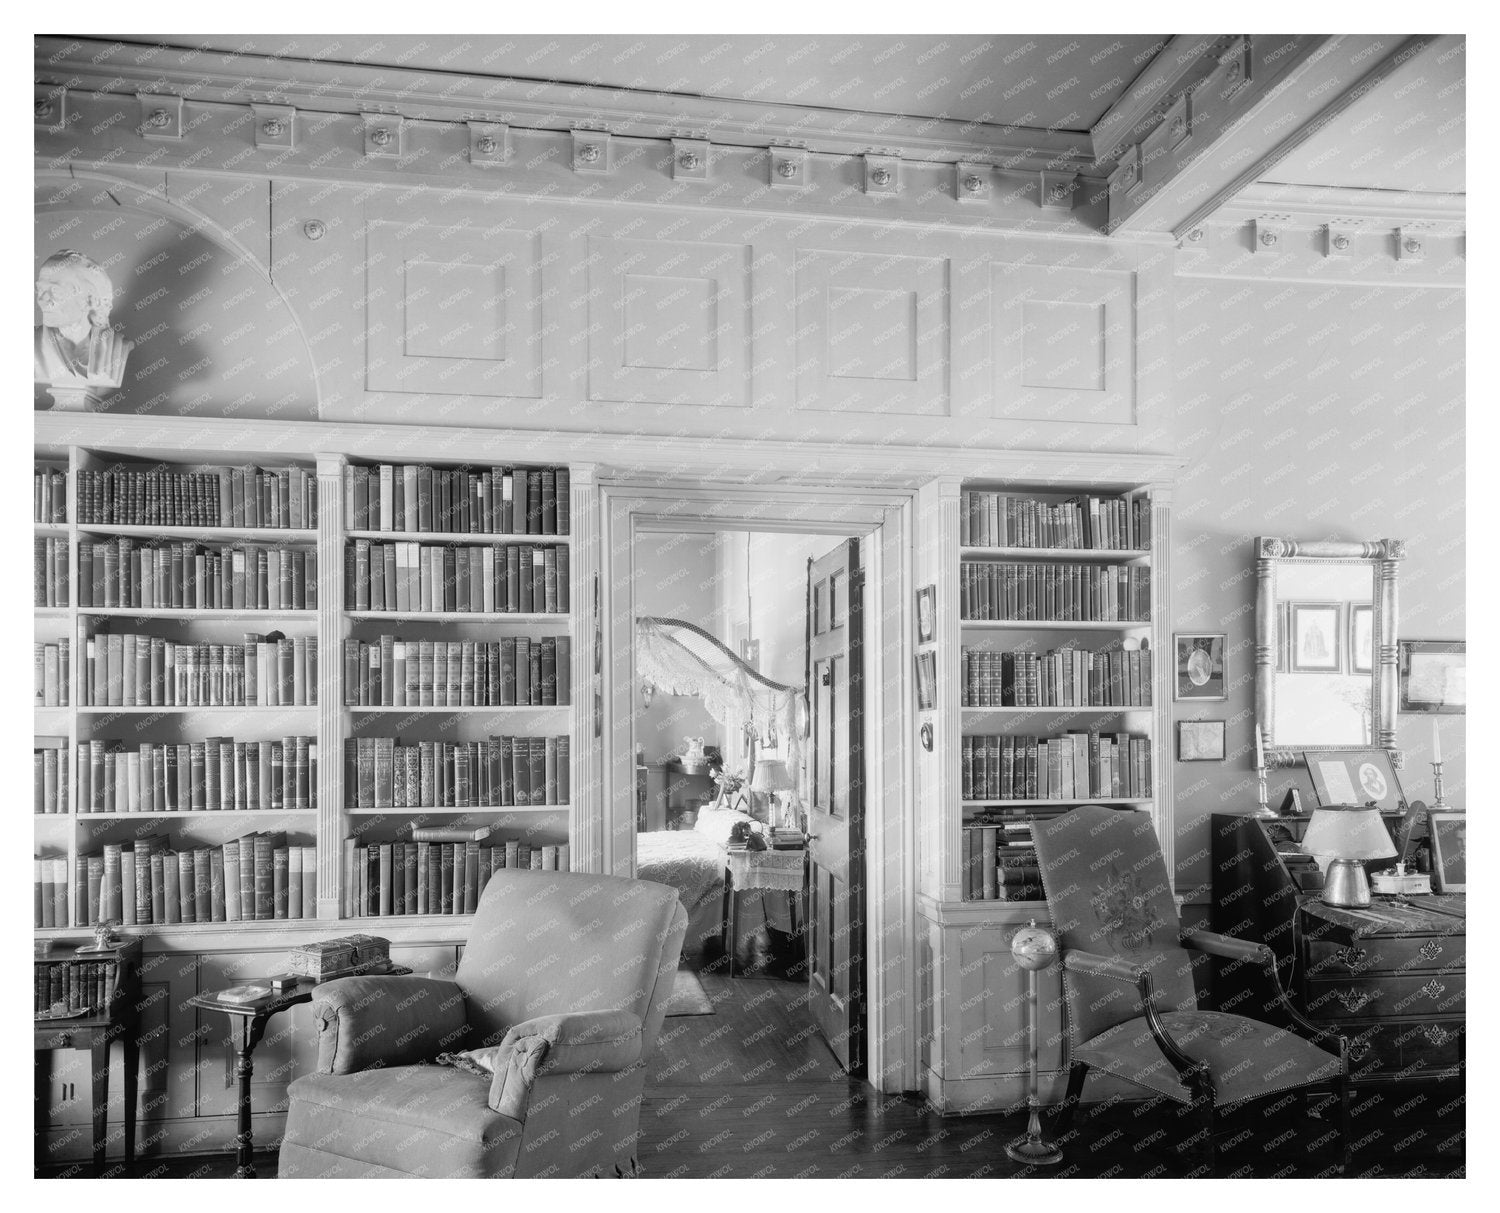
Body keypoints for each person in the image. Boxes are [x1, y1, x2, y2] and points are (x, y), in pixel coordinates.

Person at [34, 249, 132, 389]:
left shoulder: (117, 348)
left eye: (55, 290)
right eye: (40, 289)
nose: (42, 299)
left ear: (91, 299)